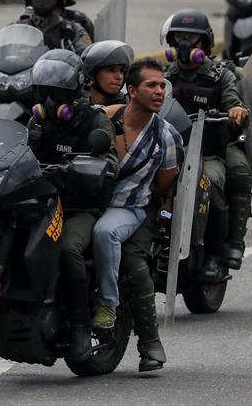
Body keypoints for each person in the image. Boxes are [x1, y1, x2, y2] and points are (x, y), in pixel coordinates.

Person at [89, 57, 182, 373]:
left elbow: (163, 185)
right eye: (151, 85)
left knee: (128, 256)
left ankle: (142, 335)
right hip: (89, 206)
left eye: (162, 86)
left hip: (133, 209)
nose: (159, 92)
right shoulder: (104, 119)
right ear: (131, 91)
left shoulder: (165, 136)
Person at [26, 49, 117, 361]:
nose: (51, 102)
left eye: (59, 93)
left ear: (76, 91)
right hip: (40, 202)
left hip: (80, 207)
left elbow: (110, 164)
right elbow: (13, 150)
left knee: (67, 250)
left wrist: (83, 168)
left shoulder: (95, 119)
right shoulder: (37, 120)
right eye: (46, 93)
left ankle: (79, 324)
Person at [162, 9, 252, 278]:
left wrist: (236, 112)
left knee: (210, 185)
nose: (185, 44)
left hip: (209, 153)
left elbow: (234, 102)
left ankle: (216, 253)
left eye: (192, 38)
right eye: (179, 38)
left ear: (206, 44)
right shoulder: (164, 78)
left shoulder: (220, 76)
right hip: (171, 153)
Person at [18, 0, 92, 54]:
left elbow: (87, 57)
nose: (42, 1)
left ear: (58, 0)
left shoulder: (72, 30)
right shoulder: (18, 28)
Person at [81, 40, 133, 106]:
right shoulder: (76, 107)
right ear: (92, 74)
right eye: (111, 70)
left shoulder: (129, 109)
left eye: (122, 71)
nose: (119, 77)